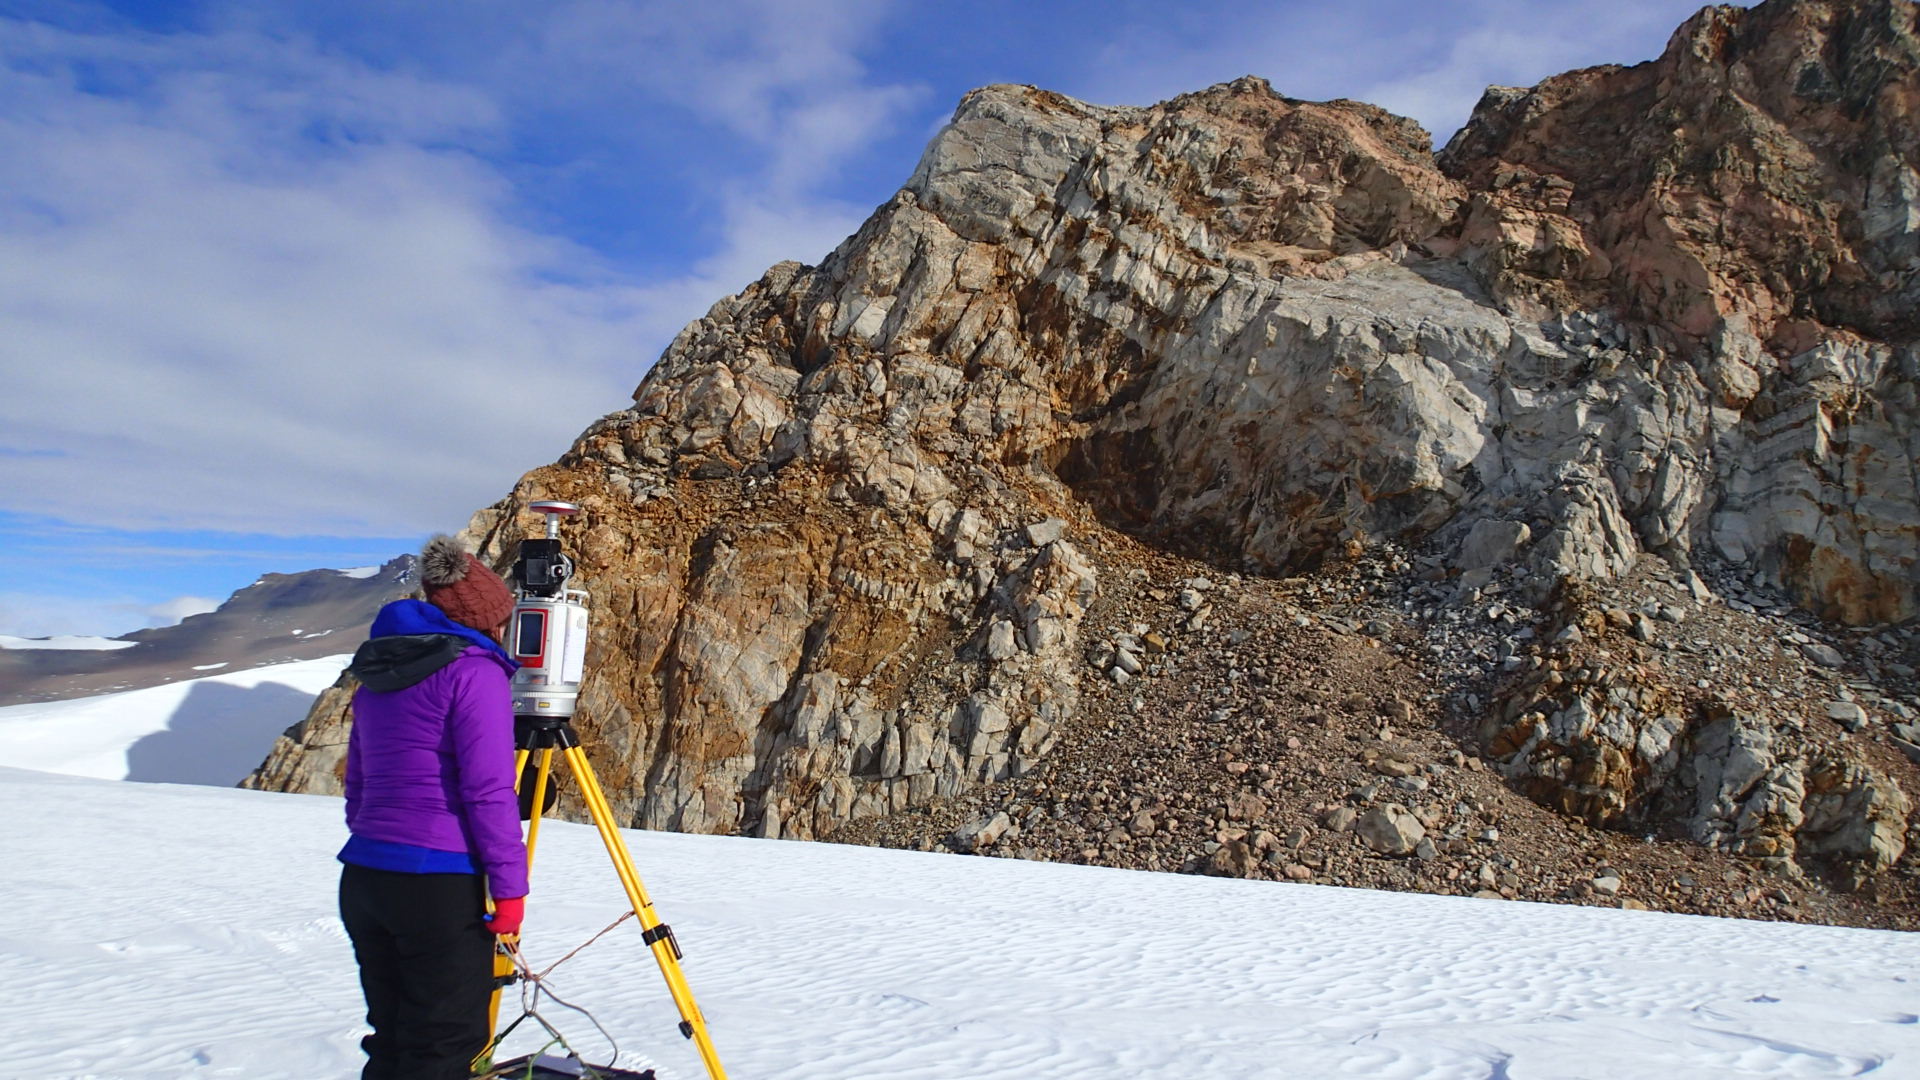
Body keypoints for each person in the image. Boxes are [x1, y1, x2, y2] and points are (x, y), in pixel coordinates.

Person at [337, 534, 529, 1080]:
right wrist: (510, 891)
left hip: (365, 877)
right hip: (436, 886)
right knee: (443, 1047)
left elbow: (358, 787)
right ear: (488, 622)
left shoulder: (379, 675)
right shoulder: (475, 672)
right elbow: (488, 791)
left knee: (394, 1039)